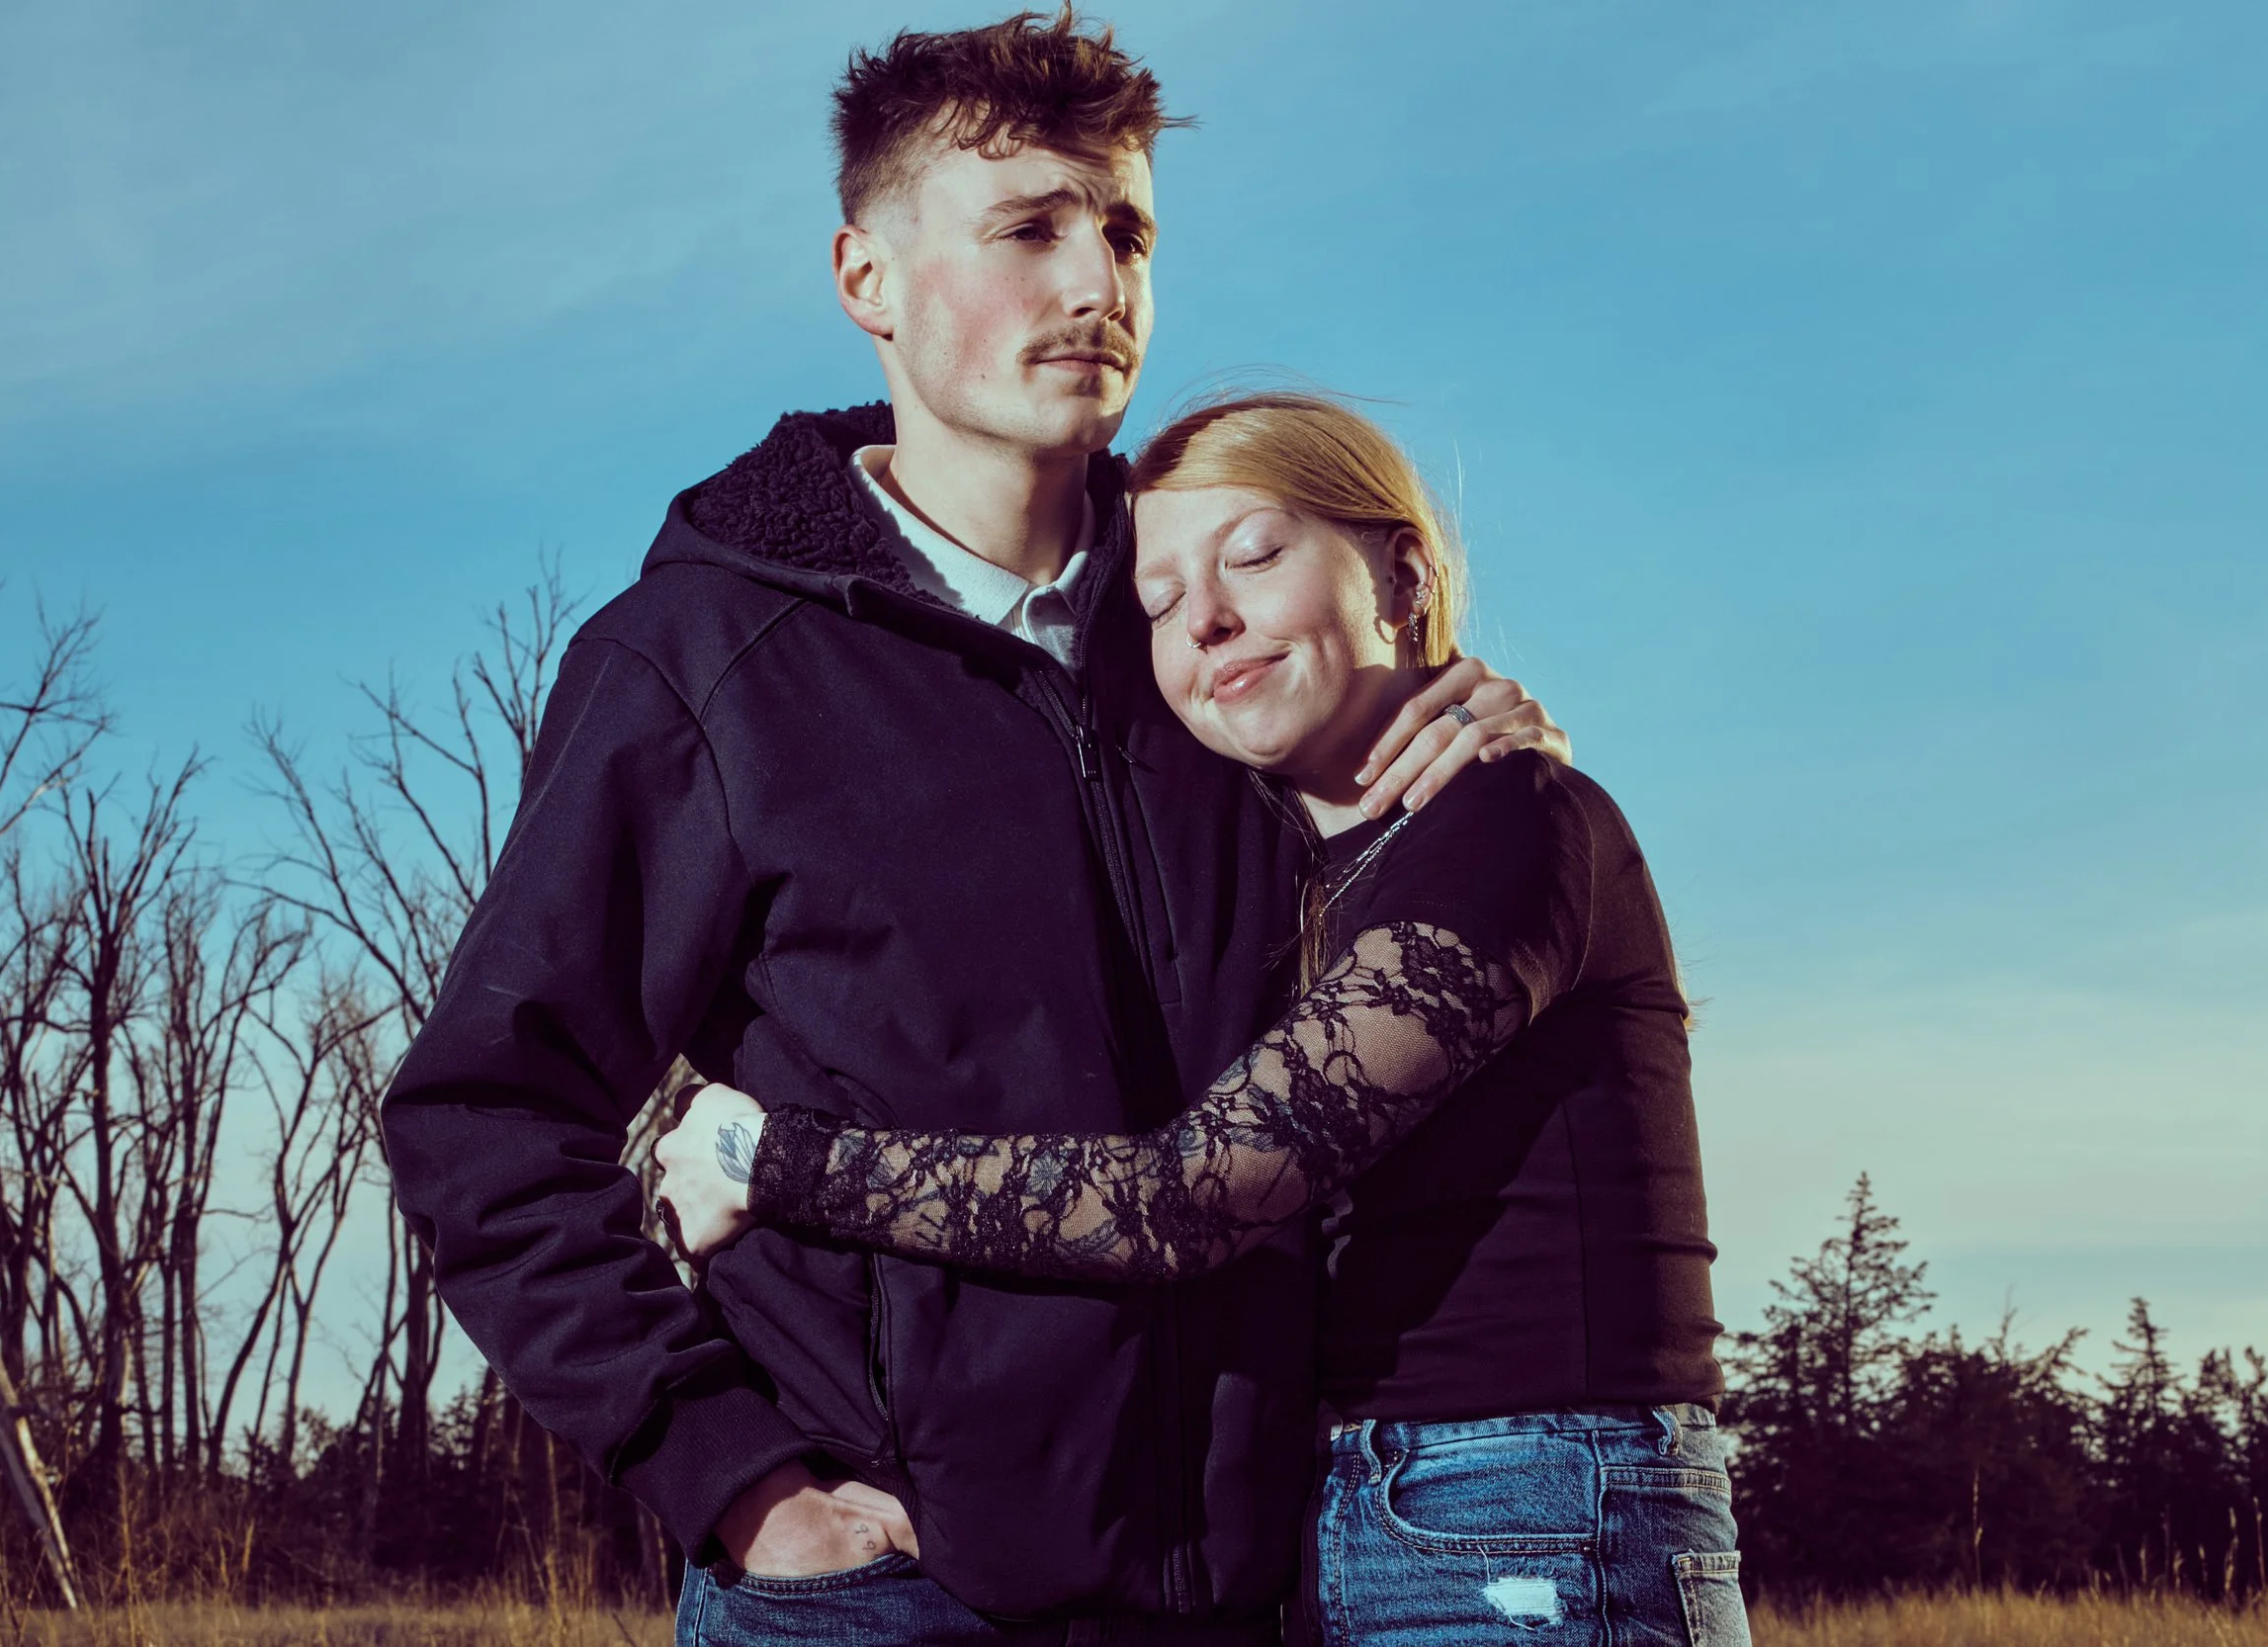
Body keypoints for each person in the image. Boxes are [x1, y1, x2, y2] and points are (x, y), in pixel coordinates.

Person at [380, 13, 1564, 1647]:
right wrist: (736, 1480)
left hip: (1251, 1588)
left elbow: (1410, 906)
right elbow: (484, 1117)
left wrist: (1464, 712)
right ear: (866, 277)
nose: (1097, 283)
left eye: (1126, 229)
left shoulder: (1219, 645)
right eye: (1028, 227)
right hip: (884, 1590)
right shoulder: (704, 666)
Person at [658, 391, 1752, 1647]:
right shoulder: (1289, 863)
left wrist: (775, 1157)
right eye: (1161, 601)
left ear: (1400, 569)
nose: (1208, 617)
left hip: (1531, 1507)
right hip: (1354, 1515)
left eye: (1254, 553)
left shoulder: (1505, 818)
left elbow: (1185, 1198)